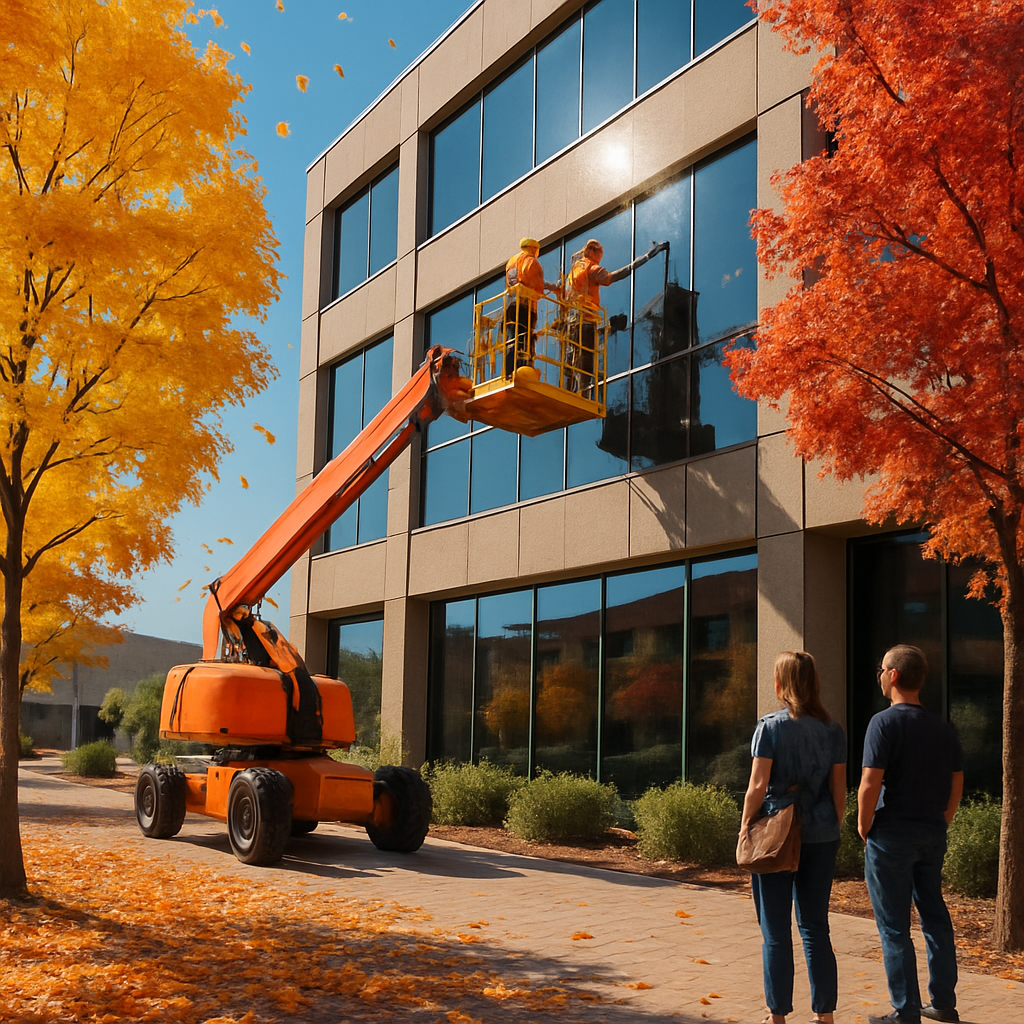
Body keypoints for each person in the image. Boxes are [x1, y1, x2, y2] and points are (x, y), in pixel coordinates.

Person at [859, 645, 964, 1024]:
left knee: (894, 925)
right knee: (935, 916)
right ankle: (943, 1003)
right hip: (932, 832)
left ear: (894, 675)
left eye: (882, 668)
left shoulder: (883, 723)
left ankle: (905, 1010)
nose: (880, 674)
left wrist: (863, 823)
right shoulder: (942, 726)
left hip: (892, 835)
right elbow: (957, 782)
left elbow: (870, 782)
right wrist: (944, 820)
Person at [741, 651, 847, 1024]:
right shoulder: (833, 730)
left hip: (776, 833)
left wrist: (745, 826)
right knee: (816, 926)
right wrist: (833, 824)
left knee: (775, 930)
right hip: (821, 833)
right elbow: (838, 788)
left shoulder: (769, 727)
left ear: (781, 683)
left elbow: (757, 785)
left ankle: (778, 1015)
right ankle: (825, 1014)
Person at [563, 238, 667, 393]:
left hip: (571, 321)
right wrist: (646, 257)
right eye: (600, 254)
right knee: (586, 357)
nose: (601, 258)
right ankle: (583, 392)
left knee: (571, 357)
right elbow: (613, 277)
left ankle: (568, 390)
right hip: (586, 318)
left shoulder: (575, 269)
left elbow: (564, 291)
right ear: (592, 251)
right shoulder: (591, 268)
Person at [504, 237, 558, 378]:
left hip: (511, 304)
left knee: (512, 340)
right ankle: (524, 369)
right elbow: (536, 281)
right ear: (534, 249)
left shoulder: (512, 261)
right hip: (524, 305)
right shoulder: (530, 261)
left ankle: (510, 371)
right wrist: (551, 287)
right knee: (524, 338)